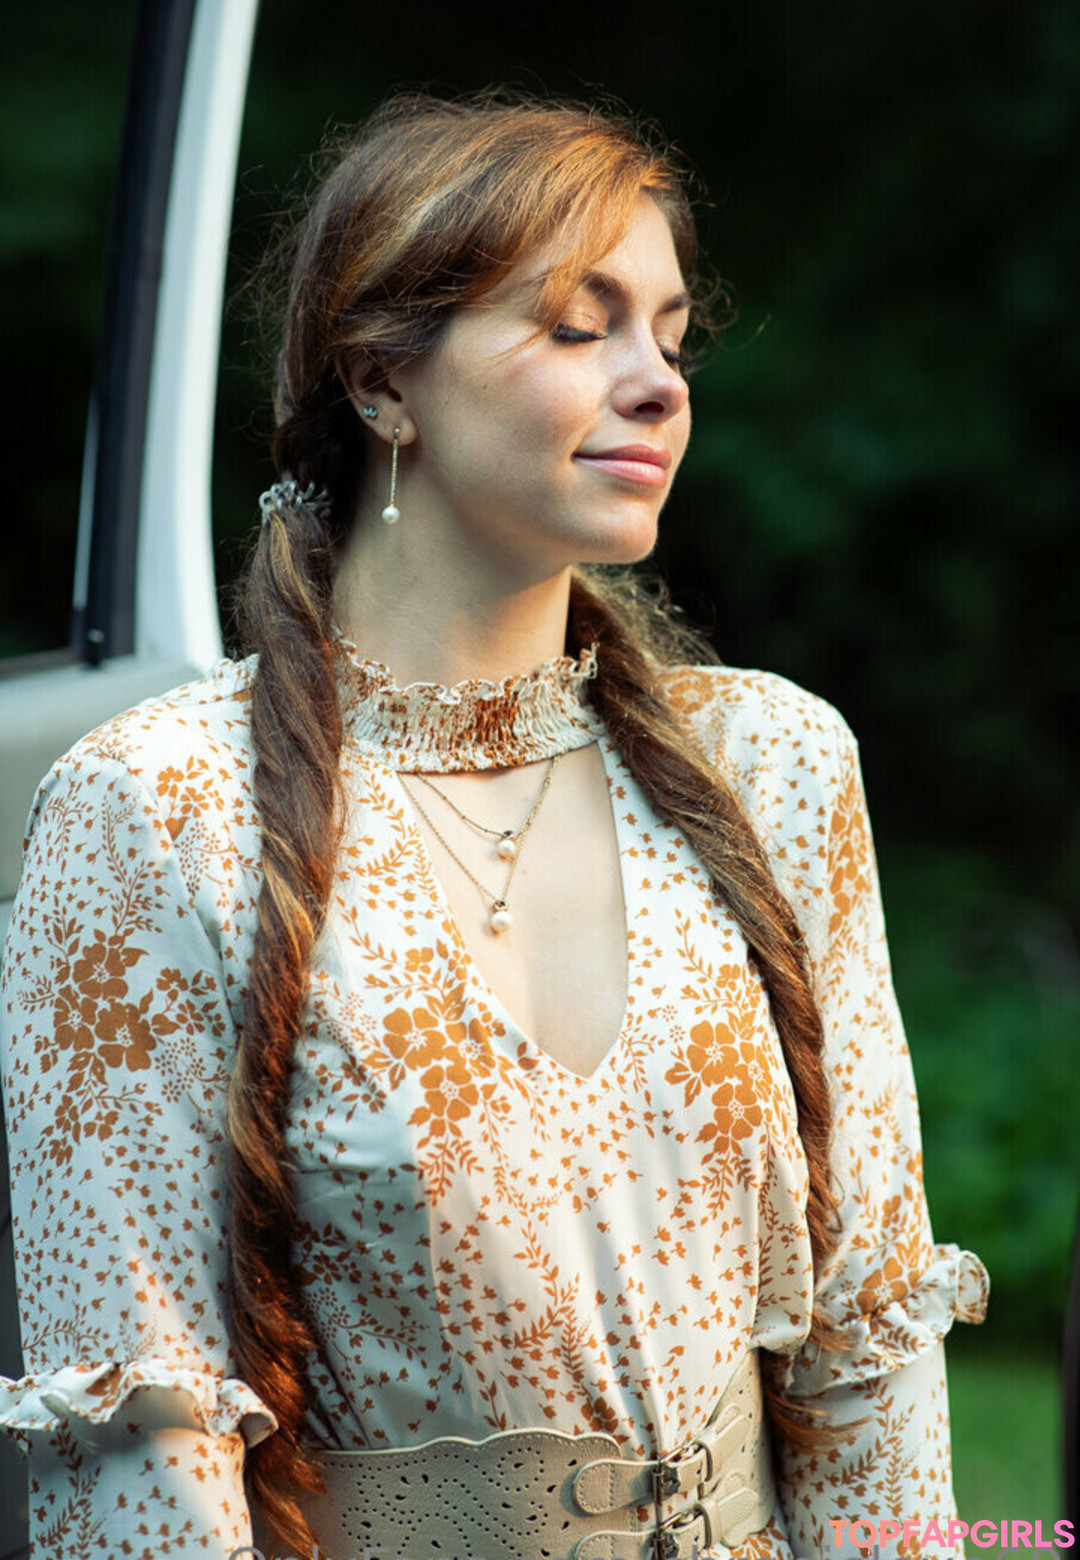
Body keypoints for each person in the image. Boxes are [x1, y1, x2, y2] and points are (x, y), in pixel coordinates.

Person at [0, 90, 988, 1560]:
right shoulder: (160, 808)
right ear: (381, 383)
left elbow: (868, 1356)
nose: (657, 384)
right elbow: (142, 1448)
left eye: (671, 337)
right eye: (580, 327)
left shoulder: (771, 766)